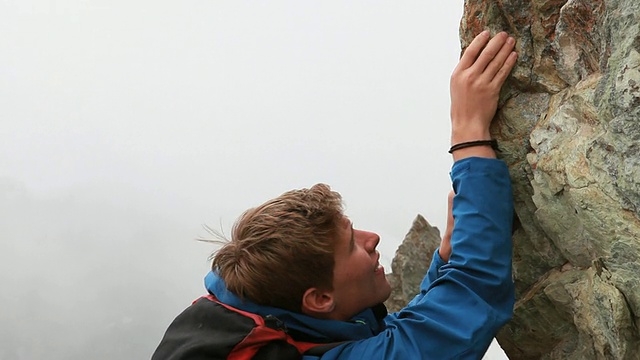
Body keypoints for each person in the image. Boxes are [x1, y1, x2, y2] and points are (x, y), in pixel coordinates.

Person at [152, 30, 517, 359]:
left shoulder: (269, 321)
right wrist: (468, 134)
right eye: (351, 245)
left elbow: (397, 341)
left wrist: (444, 260)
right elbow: (473, 294)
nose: (372, 238)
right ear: (320, 299)